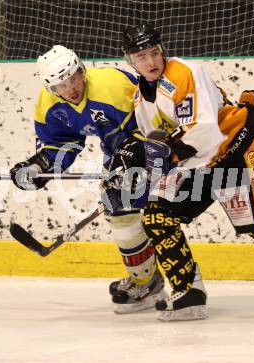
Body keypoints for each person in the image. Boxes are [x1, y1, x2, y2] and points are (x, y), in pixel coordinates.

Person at [120, 23, 254, 321]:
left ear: (162, 51)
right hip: (199, 163)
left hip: (235, 151)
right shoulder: (139, 98)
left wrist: (166, 154)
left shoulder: (185, 73)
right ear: (130, 61)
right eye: (142, 57)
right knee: (158, 215)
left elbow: (206, 132)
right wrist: (141, 158)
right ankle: (189, 294)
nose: (151, 62)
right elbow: (158, 141)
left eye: (154, 53)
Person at [9, 45, 167, 314]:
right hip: (117, 153)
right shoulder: (49, 107)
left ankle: (187, 282)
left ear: (82, 71)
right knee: (119, 210)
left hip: (155, 144)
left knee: (165, 210)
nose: (71, 89)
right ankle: (146, 282)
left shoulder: (112, 85)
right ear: (51, 89)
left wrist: (134, 157)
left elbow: (155, 121)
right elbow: (60, 145)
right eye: (61, 86)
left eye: (73, 79)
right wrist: (39, 166)